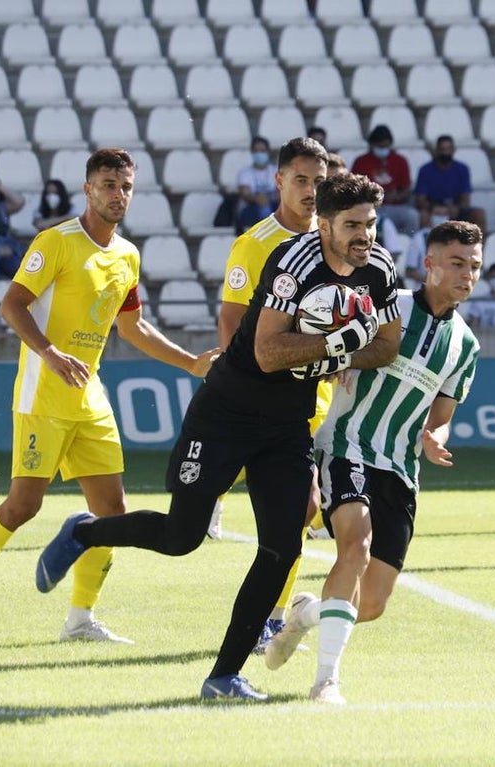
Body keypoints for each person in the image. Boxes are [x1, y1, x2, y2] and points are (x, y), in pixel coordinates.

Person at [35, 172, 403, 702]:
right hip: (226, 412)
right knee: (182, 537)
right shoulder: (293, 261)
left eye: (370, 222)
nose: (364, 235)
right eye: (352, 225)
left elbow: (387, 345)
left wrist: (340, 350)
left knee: (280, 548)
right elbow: (266, 353)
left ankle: (223, 675)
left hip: (286, 426)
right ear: (323, 223)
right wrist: (334, 343)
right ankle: (86, 531)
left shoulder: (381, 268)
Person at [0, 148, 216, 649]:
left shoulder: (127, 254)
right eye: (107, 184)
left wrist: (189, 363)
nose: (116, 194)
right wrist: (51, 353)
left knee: (113, 514)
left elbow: (133, 326)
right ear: (87, 189)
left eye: (124, 186)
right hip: (43, 395)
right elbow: (12, 304)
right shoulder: (56, 241)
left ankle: (80, 618)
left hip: (90, 397)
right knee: (22, 508)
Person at [264, 219, 483, 705]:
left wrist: (434, 436)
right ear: (429, 263)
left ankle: (303, 615)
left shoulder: (466, 346)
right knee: (354, 548)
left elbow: (442, 415)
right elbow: (328, 346)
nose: (467, 275)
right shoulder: (388, 306)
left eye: (474, 267)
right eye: (456, 264)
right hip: (346, 447)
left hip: (402, 471)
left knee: (372, 605)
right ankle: (326, 681)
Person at [213, 136, 331, 650]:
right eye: (300, 180)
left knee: (303, 507)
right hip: (264, 395)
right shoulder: (255, 243)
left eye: (318, 182)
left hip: (312, 395)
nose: (310, 191)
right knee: (182, 530)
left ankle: (271, 618)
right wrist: (248, 387)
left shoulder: (332, 239)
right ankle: (213, 488)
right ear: (279, 180)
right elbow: (232, 321)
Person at [351, 124, 418, 234]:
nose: (383, 149)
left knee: (412, 216)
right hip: (372, 207)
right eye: (379, 147)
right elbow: (354, 189)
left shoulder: (400, 161)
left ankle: (408, 246)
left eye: (385, 146)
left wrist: (397, 196)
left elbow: (406, 189)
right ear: (372, 145)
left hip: (395, 206)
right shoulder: (361, 162)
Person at [414, 134, 486, 233]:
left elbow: (466, 200)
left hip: (456, 208)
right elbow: (420, 200)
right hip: (433, 209)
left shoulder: (462, 169)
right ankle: (427, 247)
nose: (445, 153)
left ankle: (478, 247)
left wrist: (456, 208)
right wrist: (433, 208)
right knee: (423, 216)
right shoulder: (425, 170)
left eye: (448, 149)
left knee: (478, 214)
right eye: (442, 149)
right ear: (437, 150)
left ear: (453, 150)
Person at [402, 201, 451, 290]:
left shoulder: (455, 238)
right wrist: (434, 281)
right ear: (430, 216)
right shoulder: (419, 238)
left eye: (444, 214)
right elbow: (409, 271)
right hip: (424, 290)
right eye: (438, 214)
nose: (441, 217)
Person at [236, 136, 280, 233]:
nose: (259, 154)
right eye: (256, 151)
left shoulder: (276, 171)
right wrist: (257, 198)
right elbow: (245, 194)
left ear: (268, 152)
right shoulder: (244, 173)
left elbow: (280, 192)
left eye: (262, 151)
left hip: (273, 205)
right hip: (253, 207)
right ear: (252, 152)